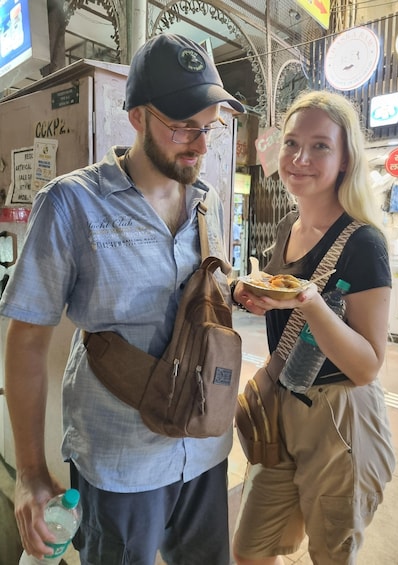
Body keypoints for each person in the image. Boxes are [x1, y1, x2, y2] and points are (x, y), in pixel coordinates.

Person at [0, 34, 244, 565]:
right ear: (136, 116)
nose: (200, 146)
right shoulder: (71, 204)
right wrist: (32, 473)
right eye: (182, 126)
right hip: (120, 463)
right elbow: (25, 342)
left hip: (205, 447)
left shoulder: (209, 203)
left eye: (209, 127)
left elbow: (206, 293)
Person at [231, 90, 395, 565]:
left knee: (331, 555)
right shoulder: (286, 229)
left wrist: (309, 302)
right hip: (283, 407)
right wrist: (257, 299)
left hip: (340, 419)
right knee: (250, 550)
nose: (300, 158)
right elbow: (282, 308)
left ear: (345, 159)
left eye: (321, 146)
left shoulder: (363, 243)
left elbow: (366, 366)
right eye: (291, 143)